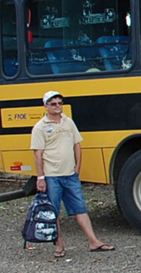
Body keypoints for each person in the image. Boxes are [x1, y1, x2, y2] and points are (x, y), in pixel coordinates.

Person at [31, 90, 114, 257]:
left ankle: (93, 241)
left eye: (60, 103)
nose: (57, 106)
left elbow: (77, 144)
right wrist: (41, 177)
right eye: (53, 104)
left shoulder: (68, 122)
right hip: (52, 175)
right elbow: (38, 153)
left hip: (70, 175)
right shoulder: (40, 127)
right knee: (53, 211)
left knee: (80, 208)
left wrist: (77, 168)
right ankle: (59, 244)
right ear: (46, 106)